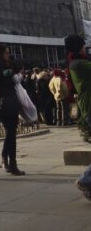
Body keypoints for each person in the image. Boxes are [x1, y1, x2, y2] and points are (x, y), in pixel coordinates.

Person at [0, 44, 25, 176]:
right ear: (0, 53)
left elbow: (14, 73)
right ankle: (11, 163)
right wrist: (2, 75)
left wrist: (16, 70)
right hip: (1, 99)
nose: (8, 55)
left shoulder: (8, 63)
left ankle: (6, 158)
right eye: (6, 53)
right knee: (10, 130)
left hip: (12, 97)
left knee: (12, 130)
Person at [64, 34, 91, 199]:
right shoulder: (79, 64)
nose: (84, 48)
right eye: (82, 45)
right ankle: (86, 179)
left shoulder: (77, 63)